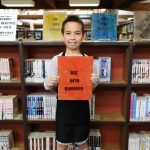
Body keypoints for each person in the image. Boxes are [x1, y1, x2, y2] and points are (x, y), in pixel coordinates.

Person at [44, 15, 99, 150]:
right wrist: (49, 82)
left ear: (84, 36)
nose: (72, 37)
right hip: (63, 111)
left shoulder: (88, 61)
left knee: (83, 144)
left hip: (82, 110)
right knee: (61, 145)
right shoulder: (56, 59)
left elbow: (91, 89)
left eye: (77, 33)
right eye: (68, 33)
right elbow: (47, 86)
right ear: (63, 36)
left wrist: (95, 83)